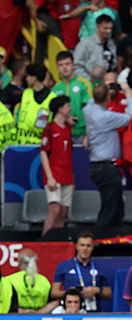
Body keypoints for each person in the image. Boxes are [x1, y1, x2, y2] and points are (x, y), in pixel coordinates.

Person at [83, 83, 132, 228]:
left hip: (98, 166)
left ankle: (114, 241)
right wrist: (128, 94)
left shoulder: (88, 110)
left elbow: (91, 100)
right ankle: (98, 242)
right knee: (110, 209)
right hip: (106, 167)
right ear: (108, 97)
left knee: (117, 208)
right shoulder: (105, 116)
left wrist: (103, 87)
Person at [52, 231, 112, 313]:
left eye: (88, 246)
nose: (85, 248)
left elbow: (109, 295)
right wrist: (71, 293)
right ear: (77, 247)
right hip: (72, 312)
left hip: (94, 312)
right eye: (82, 245)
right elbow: (54, 293)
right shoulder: (64, 266)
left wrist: (97, 290)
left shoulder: (100, 267)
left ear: (93, 247)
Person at [39, 96, 74, 236]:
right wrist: (49, 177)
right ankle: (44, 243)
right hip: (54, 175)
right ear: (60, 109)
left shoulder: (68, 128)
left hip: (67, 176)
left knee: (63, 213)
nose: (69, 108)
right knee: (55, 210)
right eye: (67, 106)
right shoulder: (49, 128)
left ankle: (58, 242)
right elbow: (43, 153)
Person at [52, 51, 93, 144]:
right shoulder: (55, 89)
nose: (64, 67)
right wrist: (66, 117)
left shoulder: (84, 84)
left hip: (82, 133)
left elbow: (91, 109)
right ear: (57, 67)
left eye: (67, 64)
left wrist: (89, 133)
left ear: (73, 65)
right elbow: (54, 112)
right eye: (61, 65)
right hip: (62, 133)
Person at [5, 249, 57, 313]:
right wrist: (39, 312)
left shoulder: (9, 280)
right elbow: (54, 303)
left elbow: (4, 302)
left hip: (15, 317)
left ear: (19, 262)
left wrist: (23, 311)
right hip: (39, 318)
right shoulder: (44, 281)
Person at [73, 14, 117, 81]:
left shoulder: (111, 43)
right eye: (106, 28)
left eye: (111, 28)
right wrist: (90, 81)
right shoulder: (85, 44)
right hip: (90, 83)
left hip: (108, 83)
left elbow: (114, 65)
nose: (109, 31)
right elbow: (76, 66)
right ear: (98, 26)